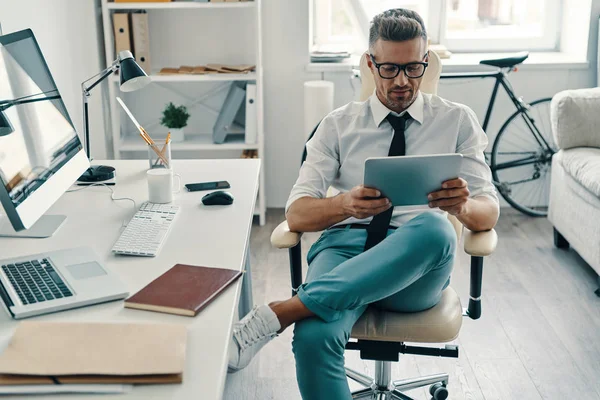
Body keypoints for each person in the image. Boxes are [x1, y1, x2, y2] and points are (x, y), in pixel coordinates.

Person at [228, 8, 499, 400]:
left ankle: (283, 312)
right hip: (345, 253)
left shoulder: (458, 121)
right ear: (370, 64)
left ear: (425, 62)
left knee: (436, 228)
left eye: (413, 68)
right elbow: (296, 214)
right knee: (313, 337)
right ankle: (300, 313)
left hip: (414, 269)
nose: (403, 81)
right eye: (390, 68)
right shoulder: (338, 125)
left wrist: (462, 208)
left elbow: (488, 213)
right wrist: (343, 205)